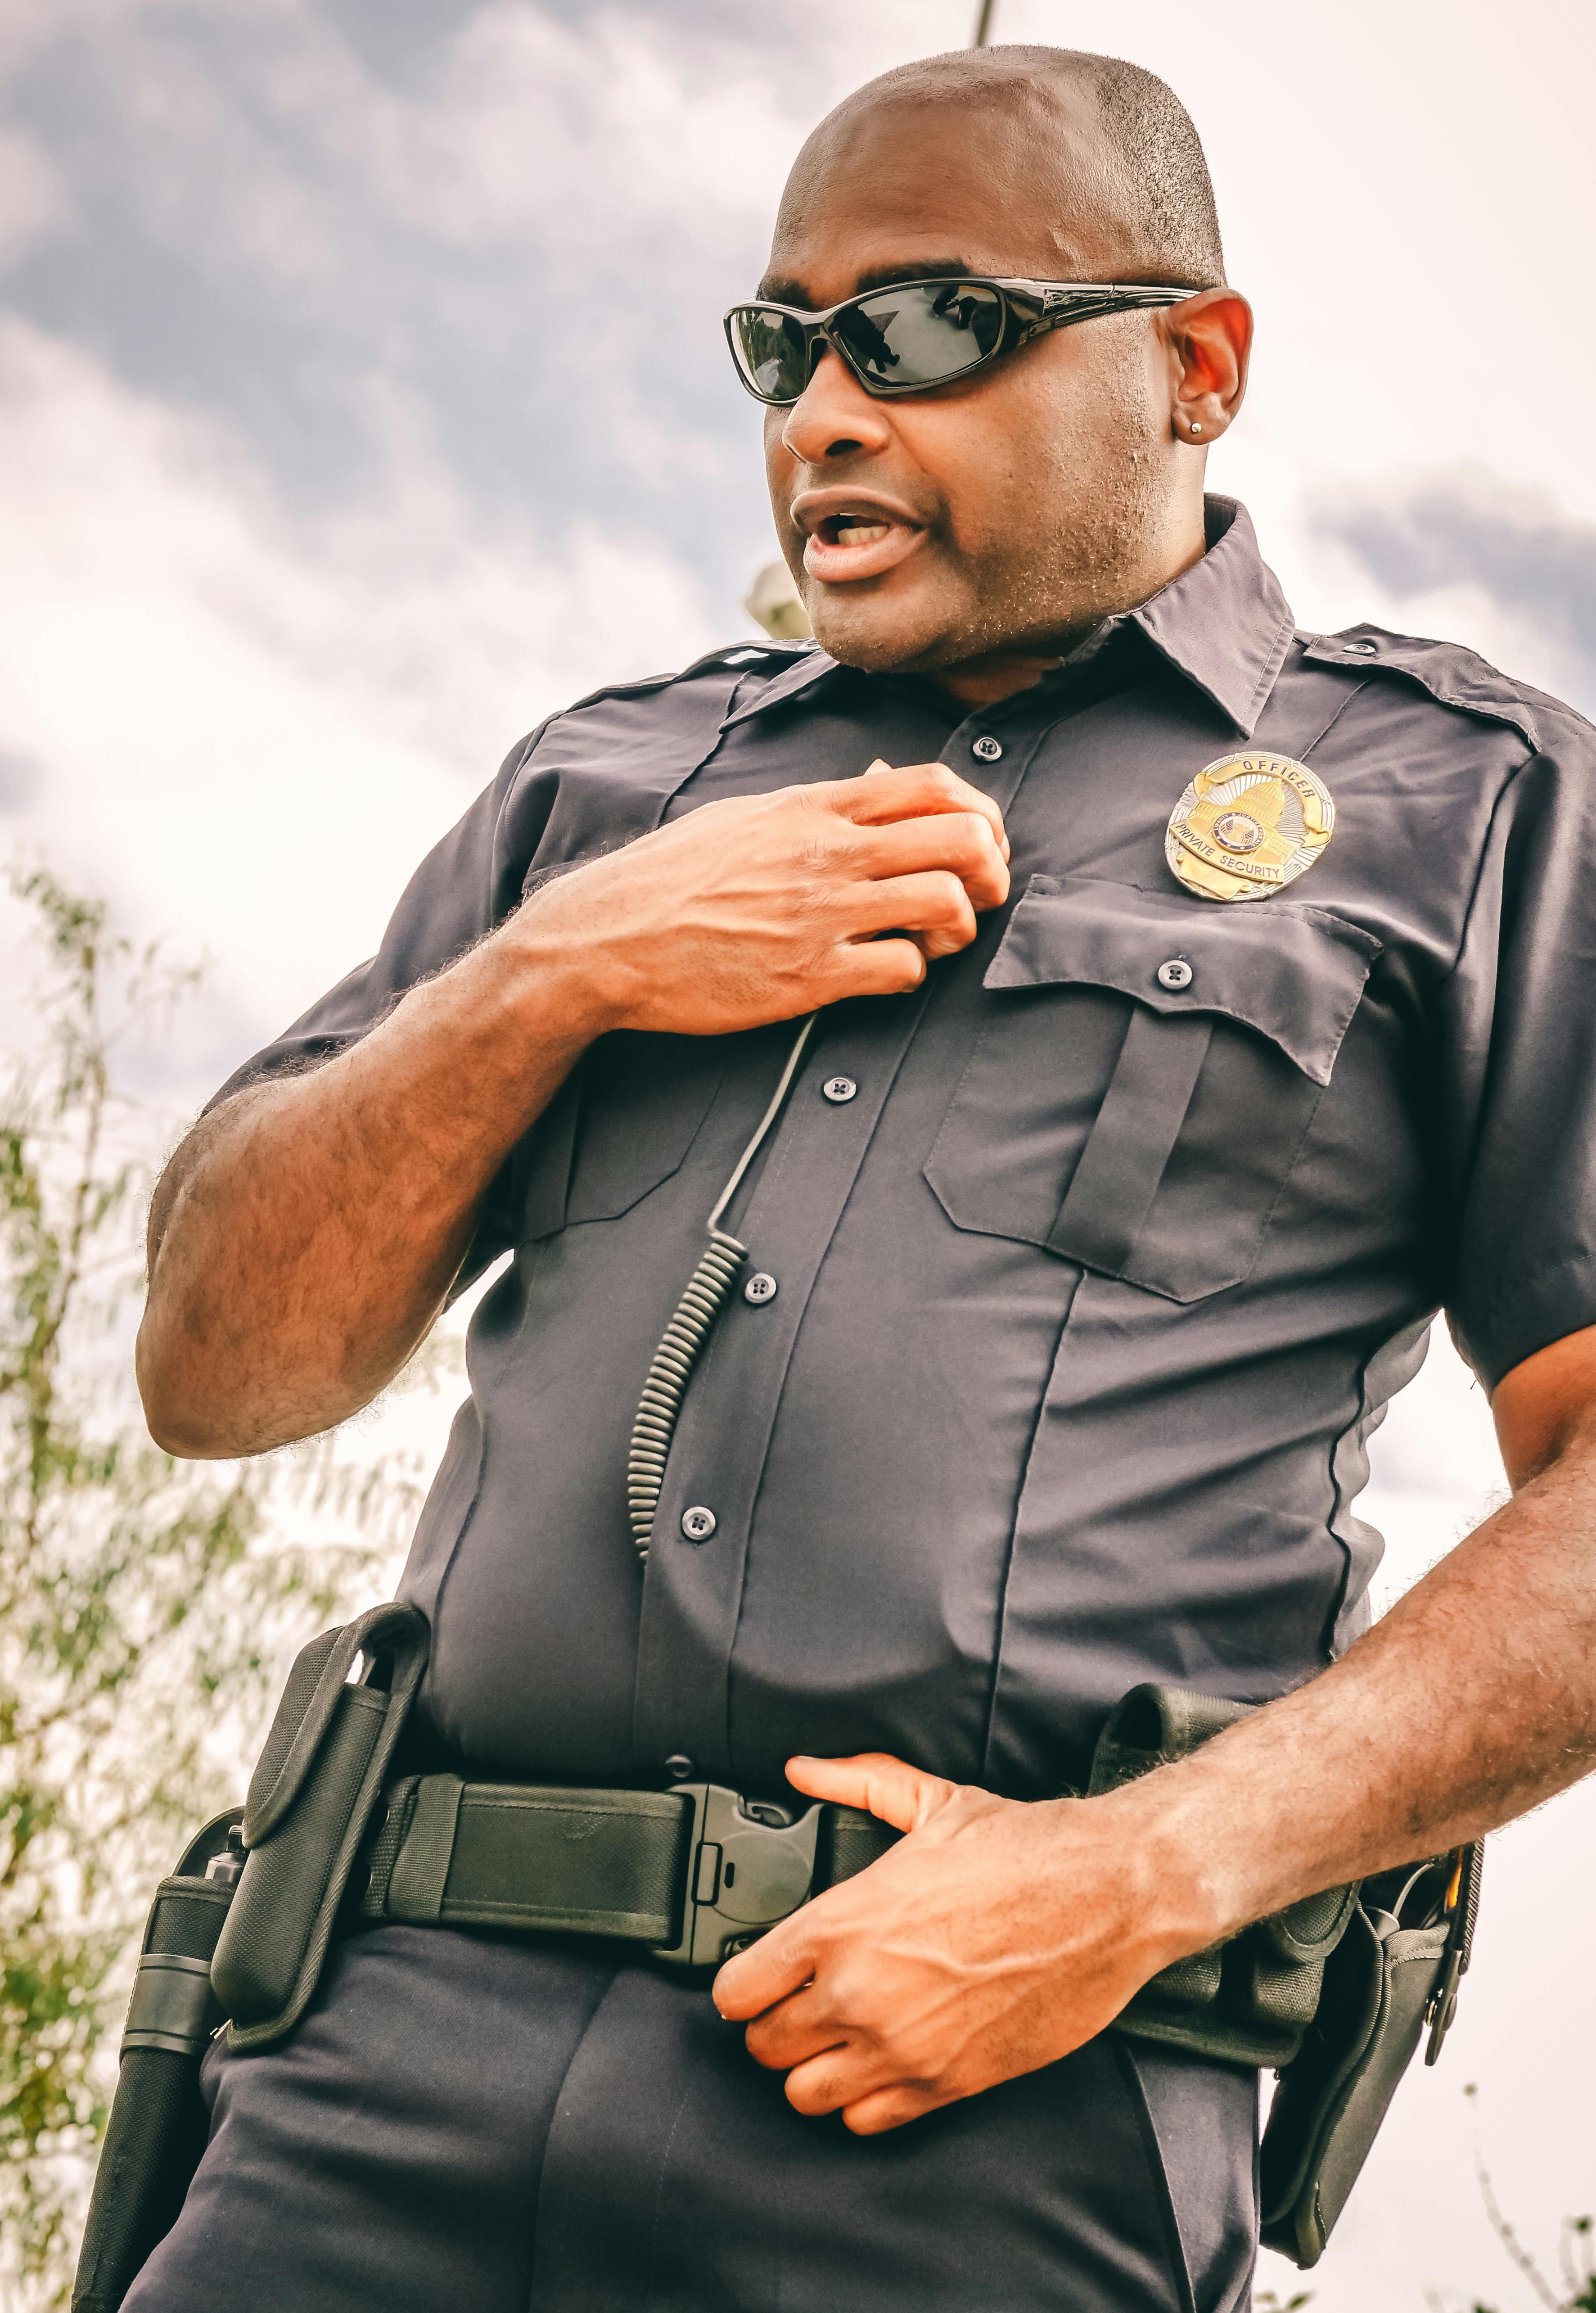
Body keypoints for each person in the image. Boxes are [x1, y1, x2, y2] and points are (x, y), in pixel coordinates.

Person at [127, 41, 1596, 2313]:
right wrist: (555, 972)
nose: (823, 406)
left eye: (922, 329)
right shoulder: (605, 790)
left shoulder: (1465, 807)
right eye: (778, 341)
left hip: (975, 2121)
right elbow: (218, 1364)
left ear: (1193, 366)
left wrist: (1143, 1873)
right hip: (358, 2079)